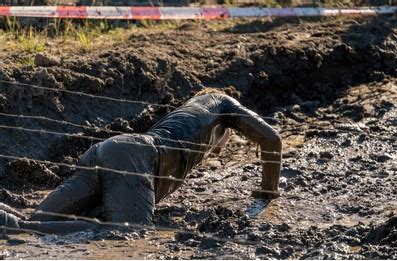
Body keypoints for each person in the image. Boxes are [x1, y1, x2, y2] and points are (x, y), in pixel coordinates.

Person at [0, 91, 282, 235]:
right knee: (126, 235)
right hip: (134, 157)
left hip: (107, 151)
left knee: (30, 224)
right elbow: (272, 140)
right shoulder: (224, 104)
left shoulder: (189, 113)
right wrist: (268, 192)